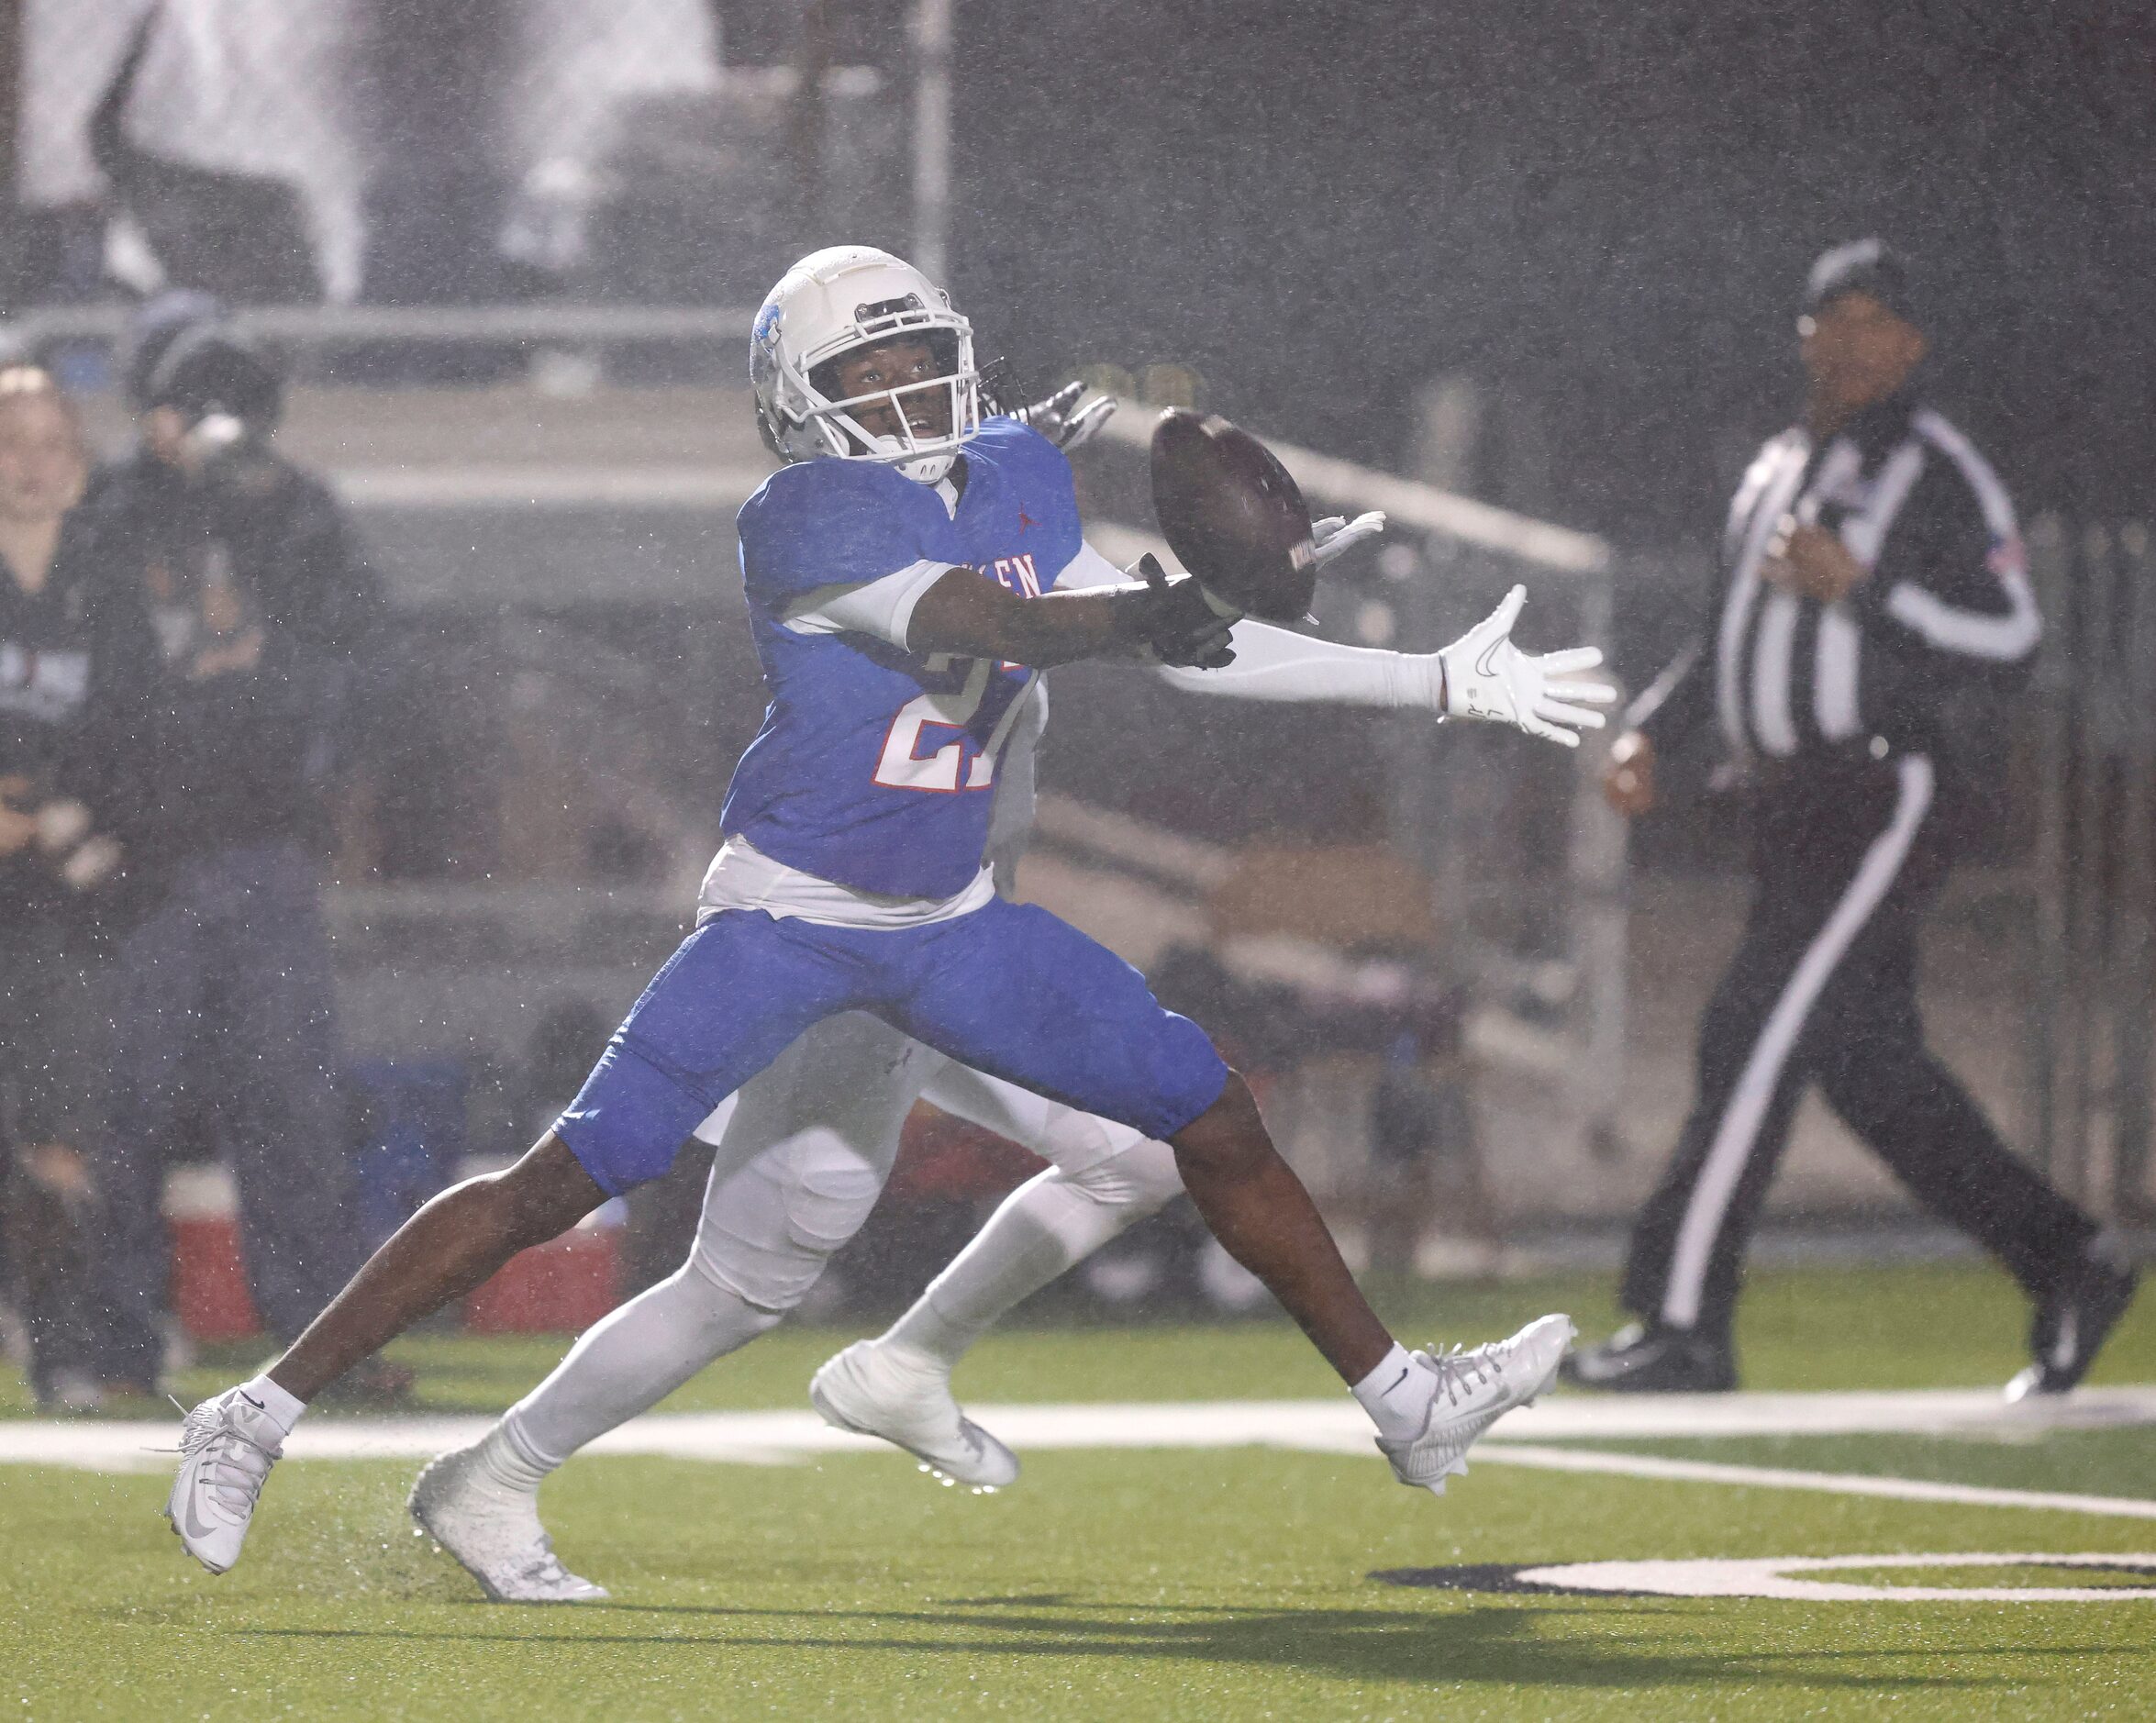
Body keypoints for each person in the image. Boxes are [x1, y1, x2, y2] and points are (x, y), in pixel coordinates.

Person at [167, 246, 1607, 1584]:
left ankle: (1402, 1400)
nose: (909, 389)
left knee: (1203, 1113)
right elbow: (986, 623)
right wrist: (1148, 614)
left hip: (949, 923)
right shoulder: (802, 513)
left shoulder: (1016, 471)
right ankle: (254, 1410)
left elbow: (1173, 642)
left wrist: (1423, 678)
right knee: (578, 1177)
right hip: (788, 920)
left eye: (922, 356)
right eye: (867, 373)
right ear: (801, 404)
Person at [1563, 239, 2136, 1396]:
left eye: (1877, 323)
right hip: (1782, 808)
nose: (1853, 342)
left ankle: (1682, 1323)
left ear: (1912, 344)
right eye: (1834, 320)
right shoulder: (1776, 460)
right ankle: (2070, 1259)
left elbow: (2011, 639)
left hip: (1881, 792)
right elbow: (1727, 629)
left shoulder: (1937, 468)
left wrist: (1864, 588)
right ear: (1804, 335)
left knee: (1749, 1029)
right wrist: (1652, 733)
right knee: (1871, 1073)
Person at [81, 302, 395, 1400]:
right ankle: (116, 1349)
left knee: (294, 1110)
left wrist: (261, 510)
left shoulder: (294, 505)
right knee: (123, 1108)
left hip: (263, 851)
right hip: (137, 861)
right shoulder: (109, 506)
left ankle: (323, 1349)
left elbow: (364, 640)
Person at [0, 369, 157, 1410]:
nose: (33, 459)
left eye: (53, 441)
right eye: (14, 439)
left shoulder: (106, 580)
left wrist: (49, 814)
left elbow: (137, 742)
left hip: (57, 896)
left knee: (64, 1136)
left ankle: (65, 1352)